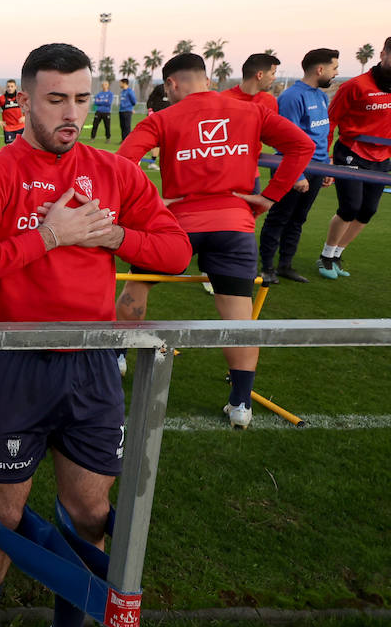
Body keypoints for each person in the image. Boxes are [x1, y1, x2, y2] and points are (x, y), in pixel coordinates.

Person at [0, 42, 191, 627]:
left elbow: (175, 249)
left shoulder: (114, 172)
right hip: (14, 363)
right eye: (57, 99)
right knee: (4, 509)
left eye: (82, 98)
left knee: (89, 510)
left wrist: (113, 239)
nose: (73, 112)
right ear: (24, 102)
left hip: (91, 368)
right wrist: (45, 238)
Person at [115, 52, 313, 428]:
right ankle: (241, 405)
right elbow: (302, 147)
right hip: (234, 225)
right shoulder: (251, 110)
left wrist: (152, 203)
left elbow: (123, 163)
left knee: (136, 286)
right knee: (238, 316)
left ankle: (117, 358)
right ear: (205, 78)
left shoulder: (163, 117)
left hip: (176, 226)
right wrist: (269, 197)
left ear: (172, 84)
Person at [316, 34, 391, 279]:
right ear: (383, 54)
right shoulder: (355, 86)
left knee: (367, 211)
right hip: (351, 152)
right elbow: (331, 121)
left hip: (382, 156)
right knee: (350, 207)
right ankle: (325, 256)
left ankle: (337, 254)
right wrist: (328, 157)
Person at [258, 49, 339, 284]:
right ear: (320, 69)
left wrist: (326, 168)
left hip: (317, 168)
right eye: (334, 68)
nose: (337, 73)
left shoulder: (321, 96)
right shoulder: (292, 97)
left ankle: (285, 265)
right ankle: (267, 268)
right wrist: (297, 174)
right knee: (279, 218)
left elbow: (321, 135)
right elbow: (285, 140)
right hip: (293, 169)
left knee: (298, 219)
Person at [0, 79, 24, 144]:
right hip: (9, 129)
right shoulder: (1, 99)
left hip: (21, 127)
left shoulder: (20, 97)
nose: (10, 88)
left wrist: (25, 116)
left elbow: (28, 106)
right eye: (8, 86)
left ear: (15, 87)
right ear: (6, 87)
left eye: (12, 86)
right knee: (10, 149)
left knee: (24, 148)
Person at [117, 77, 137, 141]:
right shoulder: (122, 92)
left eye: (120, 83)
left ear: (124, 83)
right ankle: (123, 140)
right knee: (122, 126)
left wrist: (128, 107)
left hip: (127, 111)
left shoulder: (130, 91)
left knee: (127, 127)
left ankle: (127, 141)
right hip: (121, 110)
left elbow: (134, 101)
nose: (120, 84)